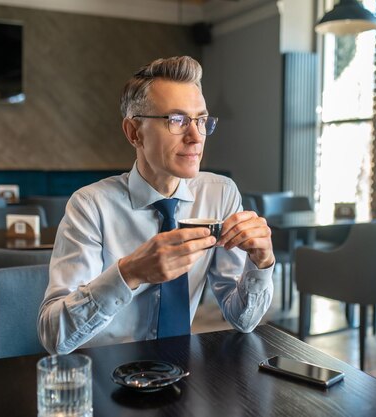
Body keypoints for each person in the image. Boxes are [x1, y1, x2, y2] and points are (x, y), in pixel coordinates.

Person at [38, 56, 275, 354]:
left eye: (201, 120)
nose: (195, 137)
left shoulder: (221, 194)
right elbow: (54, 336)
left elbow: (243, 320)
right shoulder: (90, 206)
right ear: (134, 133)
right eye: (176, 120)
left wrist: (262, 263)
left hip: (182, 376)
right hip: (105, 373)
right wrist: (129, 274)